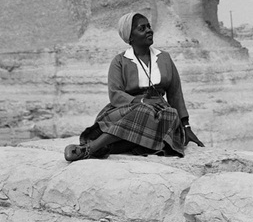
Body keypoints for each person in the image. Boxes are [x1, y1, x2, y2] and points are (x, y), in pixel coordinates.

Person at [64, 12, 204, 161]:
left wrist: (186, 128)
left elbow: (175, 94)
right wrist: (142, 102)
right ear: (130, 37)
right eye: (142, 28)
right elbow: (115, 94)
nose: (149, 30)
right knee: (143, 111)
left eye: (149, 26)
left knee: (167, 115)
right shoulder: (119, 61)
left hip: (161, 113)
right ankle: (94, 147)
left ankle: (91, 149)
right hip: (127, 108)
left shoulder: (164, 58)